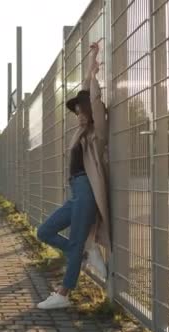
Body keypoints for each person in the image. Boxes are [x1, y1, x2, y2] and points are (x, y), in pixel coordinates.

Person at [36, 41, 111, 310]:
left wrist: (94, 76)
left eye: (82, 111)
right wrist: (92, 62)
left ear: (90, 112)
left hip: (88, 192)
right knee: (44, 231)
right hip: (76, 193)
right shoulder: (79, 133)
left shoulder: (97, 134)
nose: (78, 115)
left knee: (76, 241)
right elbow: (86, 93)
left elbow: (93, 98)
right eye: (76, 112)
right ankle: (82, 254)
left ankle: (63, 294)